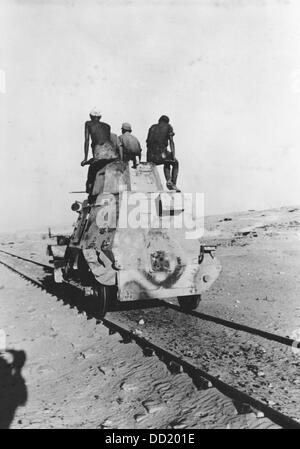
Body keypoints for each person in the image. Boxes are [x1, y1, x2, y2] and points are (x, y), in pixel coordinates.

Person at [81, 108, 118, 194]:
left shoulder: (88, 124)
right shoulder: (107, 126)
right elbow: (108, 140)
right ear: (100, 117)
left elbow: (87, 140)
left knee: (92, 171)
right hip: (112, 152)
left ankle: (90, 192)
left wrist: (85, 159)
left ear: (90, 116)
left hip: (100, 151)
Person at [146, 115, 180, 191]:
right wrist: (173, 156)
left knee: (167, 160)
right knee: (173, 162)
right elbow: (171, 142)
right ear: (167, 122)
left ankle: (169, 181)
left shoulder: (152, 127)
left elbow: (148, 143)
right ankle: (172, 183)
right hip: (161, 155)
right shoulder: (168, 127)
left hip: (150, 156)